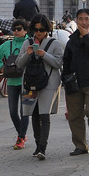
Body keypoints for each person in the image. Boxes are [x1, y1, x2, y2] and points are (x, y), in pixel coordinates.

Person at [16, 14, 64, 160]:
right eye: (36, 29)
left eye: (41, 29)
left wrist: (44, 55)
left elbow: (58, 63)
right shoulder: (27, 43)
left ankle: (42, 147)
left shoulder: (55, 44)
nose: (38, 33)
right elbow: (19, 64)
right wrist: (28, 54)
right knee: (34, 114)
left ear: (47, 30)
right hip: (30, 84)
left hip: (49, 84)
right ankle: (37, 145)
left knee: (44, 114)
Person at [62, 8, 89, 156]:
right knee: (75, 116)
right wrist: (65, 78)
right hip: (74, 82)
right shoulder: (72, 39)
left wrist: (86, 36)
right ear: (76, 20)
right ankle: (80, 145)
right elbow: (66, 60)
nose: (83, 21)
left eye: (86, 18)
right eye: (80, 19)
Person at [0, 19, 30, 149]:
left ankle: (20, 137)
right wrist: (1, 66)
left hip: (26, 81)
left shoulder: (30, 43)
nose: (16, 31)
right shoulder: (8, 44)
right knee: (13, 112)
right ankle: (21, 134)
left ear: (25, 30)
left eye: (19, 29)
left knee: (24, 111)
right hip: (12, 81)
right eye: (14, 29)